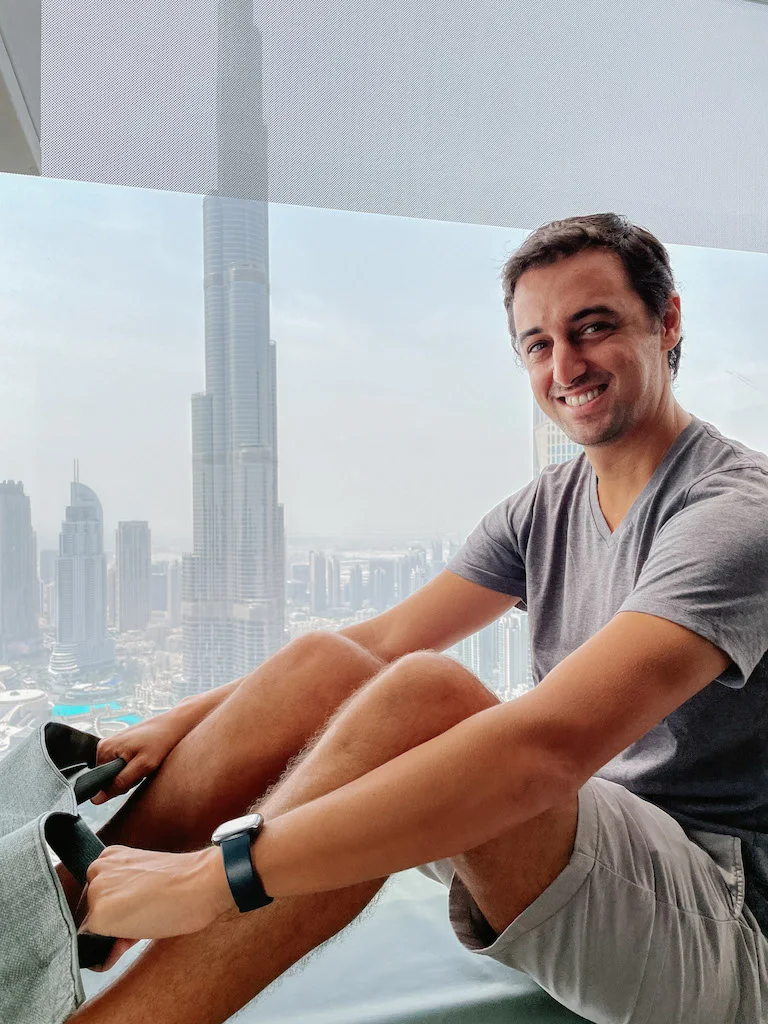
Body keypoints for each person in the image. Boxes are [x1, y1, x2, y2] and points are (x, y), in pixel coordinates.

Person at [64, 212, 768, 1024]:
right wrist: (179, 720)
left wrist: (211, 880)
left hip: (722, 915)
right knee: (333, 663)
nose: (565, 364)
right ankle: (66, 907)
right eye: (538, 344)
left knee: (427, 698)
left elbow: (548, 751)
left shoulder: (735, 512)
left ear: (668, 320)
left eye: (593, 328)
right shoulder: (547, 506)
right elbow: (376, 642)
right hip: (582, 854)